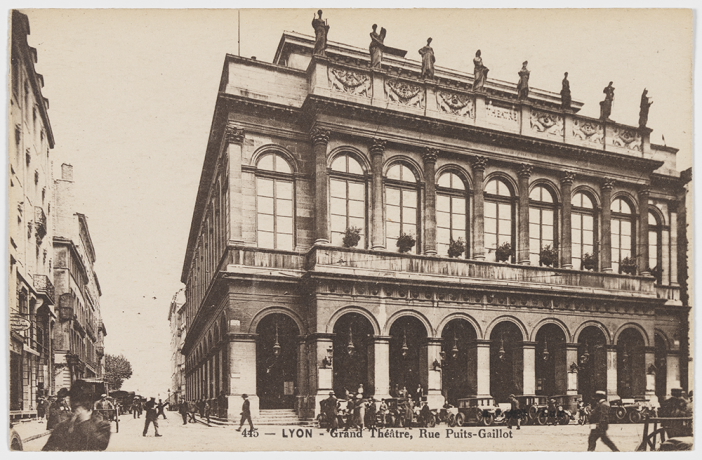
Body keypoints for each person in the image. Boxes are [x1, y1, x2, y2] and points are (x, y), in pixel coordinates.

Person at [42, 379, 111, 451]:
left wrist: (84, 421)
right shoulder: (61, 427)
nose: (76, 404)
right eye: (74, 399)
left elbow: (97, 446)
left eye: (82, 400)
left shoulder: (102, 427)